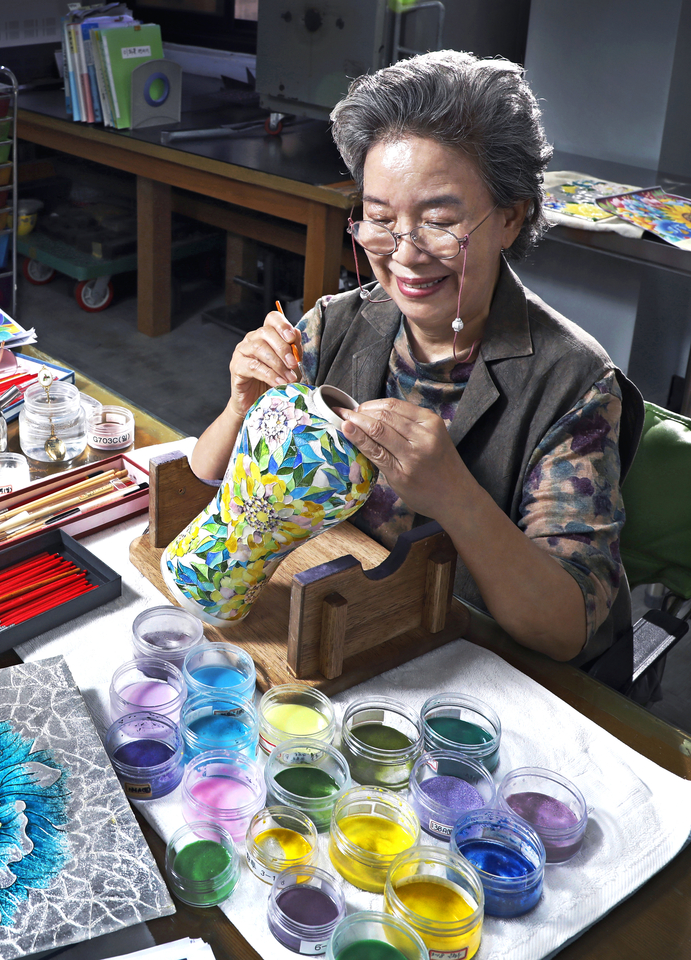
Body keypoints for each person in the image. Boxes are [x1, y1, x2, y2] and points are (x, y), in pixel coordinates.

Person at [191, 51, 643, 672]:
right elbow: (210, 478)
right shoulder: (335, 323)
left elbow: (565, 629)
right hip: (344, 627)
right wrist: (241, 403)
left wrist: (456, 496)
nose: (403, 254)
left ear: (510, 217)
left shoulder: (573, 383)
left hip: (465, 661)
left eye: (437, 221)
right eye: (379, 219)